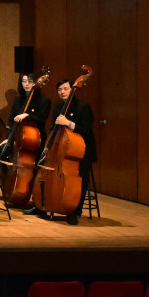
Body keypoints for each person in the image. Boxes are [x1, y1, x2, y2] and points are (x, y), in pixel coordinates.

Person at [25, 78, 94, 225]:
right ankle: (41, 206)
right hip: (61, 148)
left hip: (81, 151)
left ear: (72, 90)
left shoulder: (83, 107)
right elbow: (54, 127)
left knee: (80, 178)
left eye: (65, 89)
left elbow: (87, 130)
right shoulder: (58, 107)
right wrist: (49, 147)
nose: (62, 92)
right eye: (60, 90)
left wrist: (68, 123)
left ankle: (74, 211)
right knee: (39, 168)